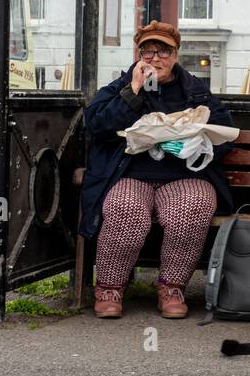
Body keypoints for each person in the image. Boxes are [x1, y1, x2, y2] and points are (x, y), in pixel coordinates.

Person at [79, 21, 236, 319]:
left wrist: (196, 144)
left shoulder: (195, 91)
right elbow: (97, 125)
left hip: (182, 174)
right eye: (147, 52)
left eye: (163, 51)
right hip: (130, 174)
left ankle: (171, 288)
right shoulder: (121, 88)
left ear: (175, 55)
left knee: (195, 204)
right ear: (138, 56)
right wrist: (133, 91)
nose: (155, 59)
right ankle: (110, 288)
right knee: (126, 208)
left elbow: (224, 133)